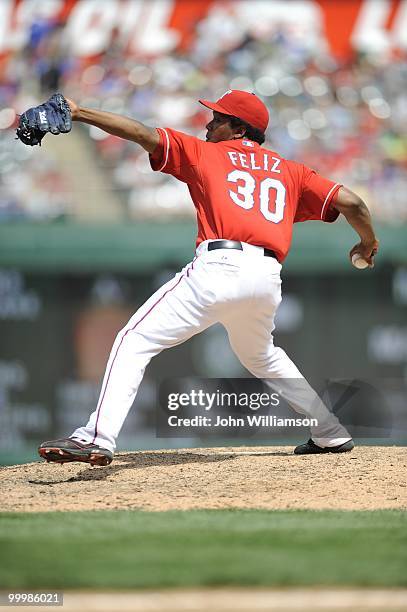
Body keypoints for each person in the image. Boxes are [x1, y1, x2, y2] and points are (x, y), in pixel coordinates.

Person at [38, 89, 379, 466]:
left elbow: (142, 133)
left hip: (220, 267)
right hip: (267, 277)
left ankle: (96, 437)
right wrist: (367, 242)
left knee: (134, 339)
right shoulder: (291, 170)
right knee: (262, 355)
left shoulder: (208, 153)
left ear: (237, 127)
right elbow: (353, 203)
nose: (209, 123)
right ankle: (329, 431)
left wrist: (80, 111)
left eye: (217, 119)